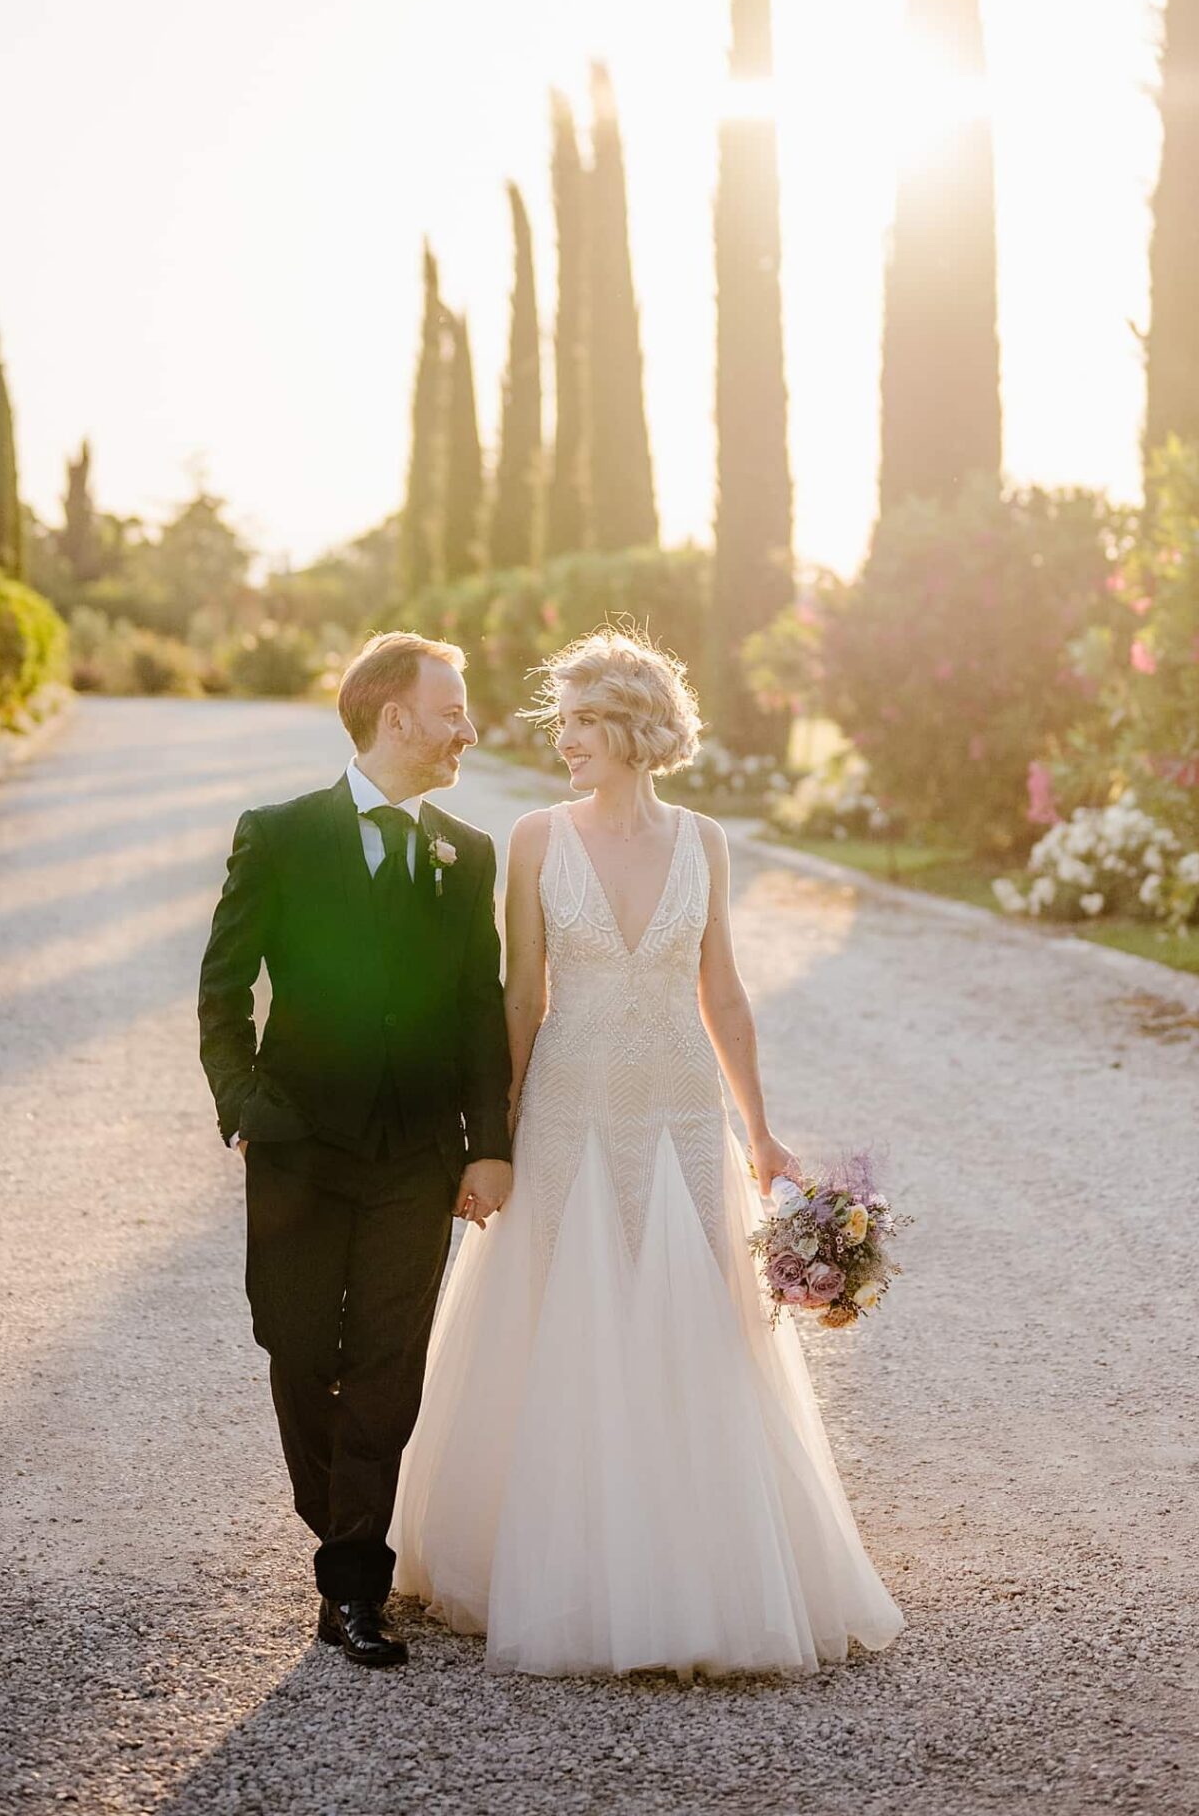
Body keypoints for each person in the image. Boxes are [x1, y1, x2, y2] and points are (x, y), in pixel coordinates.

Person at [391, 625, 906, 1678]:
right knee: (557, 1319)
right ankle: (547, 1561)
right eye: (562, 719)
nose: (563, 737)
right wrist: (489, 1135)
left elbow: (720, 989)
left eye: (581, 720)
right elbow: (521, 996)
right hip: (569, 1108)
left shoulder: (704, 841)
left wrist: (758, 1131)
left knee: (687, 1323)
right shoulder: (537, 837)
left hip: (678, 1111)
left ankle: (697, 1567)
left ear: (631, 728)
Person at [196, 632, 513, 1671]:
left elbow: (478, 1009)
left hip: (416, 1157)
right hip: (297, 1146)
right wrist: (243, 1101)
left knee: (386, 1366)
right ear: (395, 716)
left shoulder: (468, 853)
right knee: (295, 1346)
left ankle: (351, 1587)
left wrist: (486, 1146)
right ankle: (337, 1520)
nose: (466, 727)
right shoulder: (279, 834)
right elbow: (223, 984)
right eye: (452, 708)